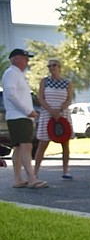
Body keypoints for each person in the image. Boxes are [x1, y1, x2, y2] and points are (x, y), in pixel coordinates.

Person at [2, 48, 47, 189]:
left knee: (19, 148)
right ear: (15, 59)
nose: (27, 61)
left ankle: (18, 179)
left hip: (21, 116)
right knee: (26, 146)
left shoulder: (18, 75)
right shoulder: (11, 73)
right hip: (19, 116)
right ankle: (32, 178)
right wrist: (28, 111)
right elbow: (11, 95)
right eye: (24, 58)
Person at [34, 58, 74, 180]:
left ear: (59, 67)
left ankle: (65, 171)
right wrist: (51, 110)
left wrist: (60, 110)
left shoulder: (67, 83)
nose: (52, 68)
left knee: (65, 143)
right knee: (43, 143)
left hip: (63, 114)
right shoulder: (44, 82)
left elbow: (69, 99)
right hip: (47, 114)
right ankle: (34, 172)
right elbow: (41, 98)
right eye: (49, 66)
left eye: (54, 65)